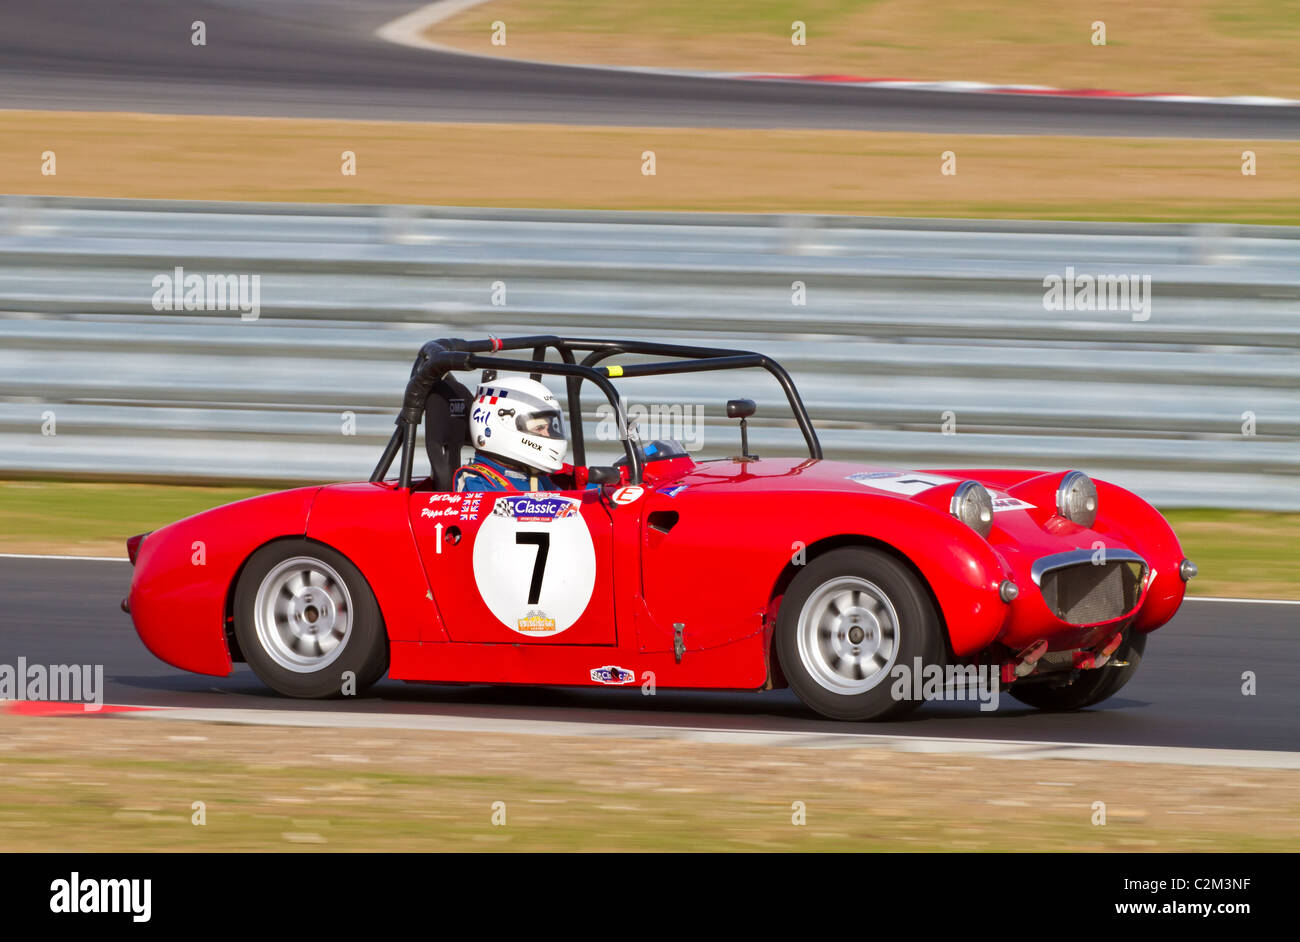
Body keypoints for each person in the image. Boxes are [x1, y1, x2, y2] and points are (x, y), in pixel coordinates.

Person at [453, 375, 567, 492]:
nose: (547, 434)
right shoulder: (478, 482)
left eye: (550, 428)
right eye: (539, 428)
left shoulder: (537, 477)